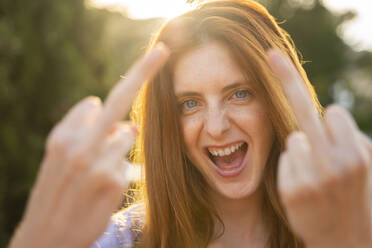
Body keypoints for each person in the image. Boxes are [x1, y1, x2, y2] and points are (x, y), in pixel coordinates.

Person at [8, 0, 372, 247]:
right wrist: (39, 237)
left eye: (239, 94)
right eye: (190, 103)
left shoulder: (350, 226)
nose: (215, 127)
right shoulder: (120, 240)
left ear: (277, 99)